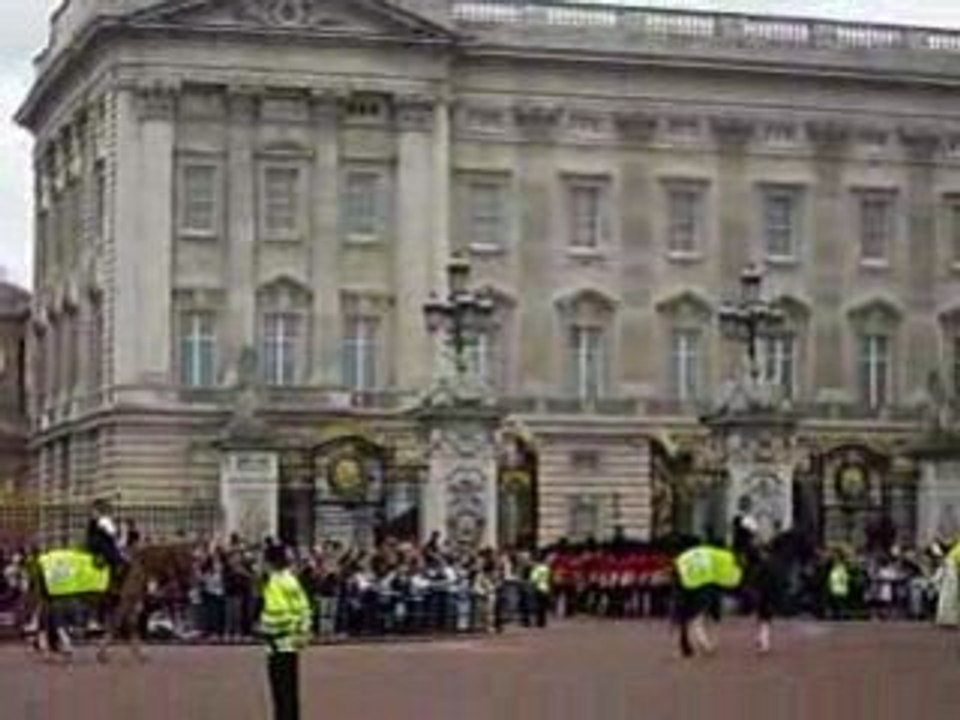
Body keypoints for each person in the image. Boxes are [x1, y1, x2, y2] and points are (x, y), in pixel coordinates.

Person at [259, 543, 312, 720]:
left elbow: (296, 610)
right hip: (280, 642)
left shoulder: (282, 581)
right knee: (283, 692)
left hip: (282, 641)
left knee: (283, 691)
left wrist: (301, 632)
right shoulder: (279, 580)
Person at [673, 541, 742, 658]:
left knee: (692, 621)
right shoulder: (717, 557)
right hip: (705, 592)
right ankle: (705, 645)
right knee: (699, 621)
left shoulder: (684, 559)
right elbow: (729, 578)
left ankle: (696, 646)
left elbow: (678, 578)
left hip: (689, 591)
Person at [86, 499, 125, 576]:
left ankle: (114, 561)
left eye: (94, 511)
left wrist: (110, 532)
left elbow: (113, 533)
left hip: (102, 544)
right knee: (103, 541)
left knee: (108, 542)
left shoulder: (103, 520)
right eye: (92, 511)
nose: (92, 513)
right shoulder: (95, 521)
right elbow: (91, 535)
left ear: (100, 512)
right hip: (96, 544)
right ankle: (116, 561)